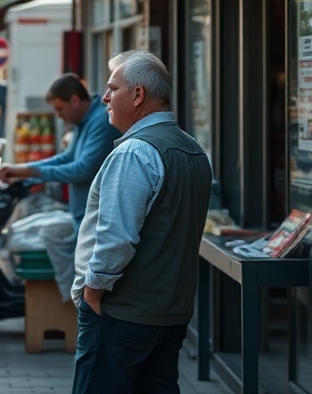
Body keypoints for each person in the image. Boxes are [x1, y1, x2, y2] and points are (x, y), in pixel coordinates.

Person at [71, 50, 212, 394]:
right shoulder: (193, 149)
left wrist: (92, 292)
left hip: (123, 312)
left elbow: (115, 239)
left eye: (112, 88)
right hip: (171, 313)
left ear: (137, 95)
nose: (104, 98)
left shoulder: (134, 152)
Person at [0, 73, 119, 233]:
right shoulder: (84, 120)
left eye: (60, 109)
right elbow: (67, 157)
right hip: (85, 216)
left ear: (75, 101)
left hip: (97, 219)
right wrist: (23, 170)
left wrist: (27, 171)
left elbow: (82, 170)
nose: (58, 115)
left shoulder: (101, 120)